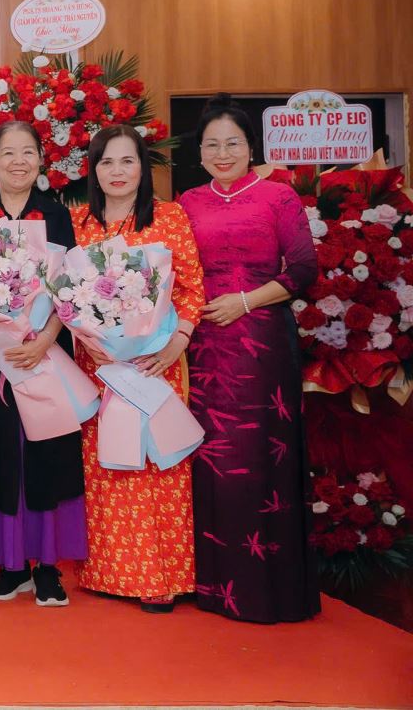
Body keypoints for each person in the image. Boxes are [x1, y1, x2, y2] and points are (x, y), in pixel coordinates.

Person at [180, 95, 320, 623]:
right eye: (212, 145)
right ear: (199, 152)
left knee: (261, 456)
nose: (222, 154)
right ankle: (213, 586)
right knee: (209, 458)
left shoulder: (278, 196)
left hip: (261, 344)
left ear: (250, 147)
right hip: (202, 349)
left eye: (232, 144)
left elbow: (303, 269)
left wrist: (245, 301)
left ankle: (268, 591)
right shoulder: (187, 202)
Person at [70, 124, 204, 613]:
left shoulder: (169, 217)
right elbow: (64, 296)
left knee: (156, 462)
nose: (117, 171)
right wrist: (88, 341)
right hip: (100, 365)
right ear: (93, 170)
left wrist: (178, 341)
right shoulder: (79, 222)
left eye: (127, 161)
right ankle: (109, 572)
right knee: (108, 464)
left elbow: (191, 287)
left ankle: (163, 576)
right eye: (106, 162)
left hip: (155, 362)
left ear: (143, 167)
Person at [0, 121, 87, 607]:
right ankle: (12, 564)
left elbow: (70, 287)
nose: (18, 161)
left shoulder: (58, 216)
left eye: (27, 152)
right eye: (8, 153)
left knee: (47, 452)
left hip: (45, 353)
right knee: (3, 454)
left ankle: (47, 567)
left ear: (41, 160)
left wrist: (44, 340)